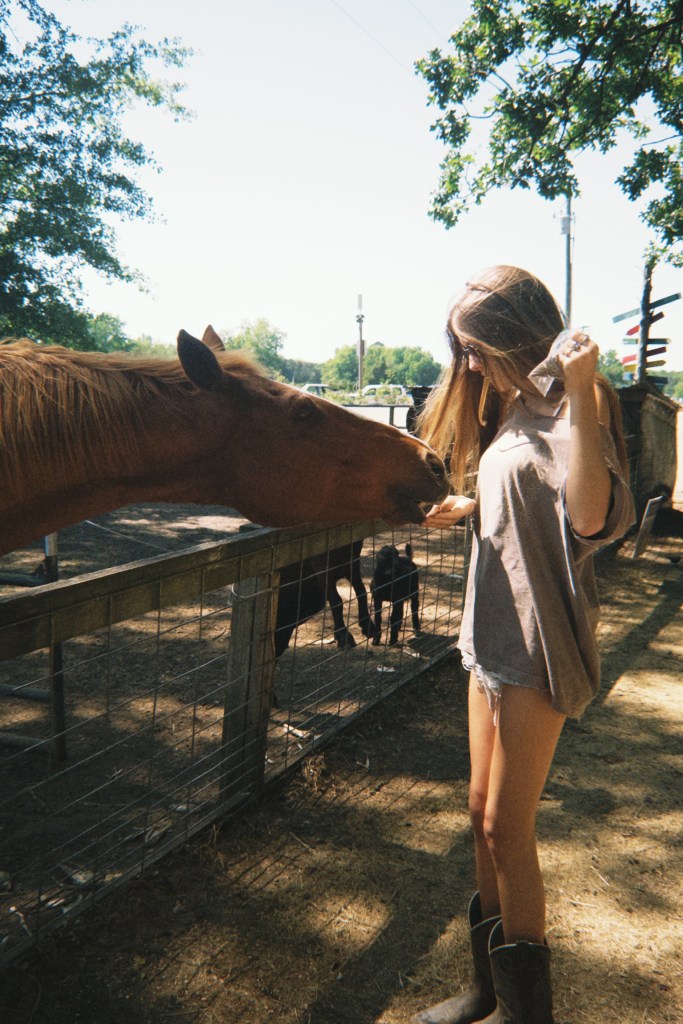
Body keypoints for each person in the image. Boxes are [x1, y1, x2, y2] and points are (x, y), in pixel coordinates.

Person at [411, 266, 635, 1024]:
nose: (469, 366)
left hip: (539, 646)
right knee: (479, 813)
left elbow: (588, 518)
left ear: (512, 338)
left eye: (476, 349)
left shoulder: (581, 405)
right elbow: (525, 488)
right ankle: (488, 991)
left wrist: (581, 387)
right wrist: (469, 504)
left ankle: (527, 1015)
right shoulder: (511, 405)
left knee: (509, 827)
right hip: (488, 634)